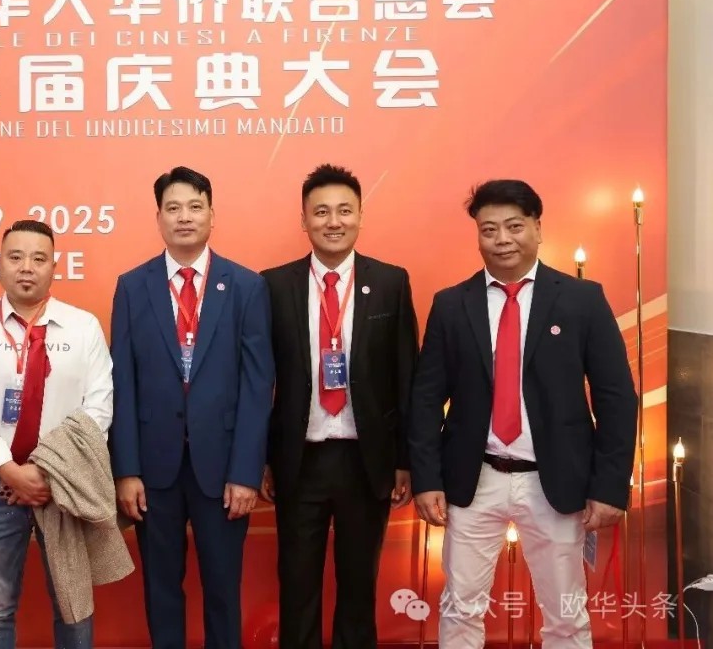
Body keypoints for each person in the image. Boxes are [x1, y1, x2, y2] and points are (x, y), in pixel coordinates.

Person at [407, 180, 637, 649]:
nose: (502, 239)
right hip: (475, 479)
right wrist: (427, 479)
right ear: (477, 235)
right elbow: (426, 398)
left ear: (537, 228)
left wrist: (609, 486)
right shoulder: (452, 304)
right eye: (489, 229)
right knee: (460, 607)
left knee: (566, 614)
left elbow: (615, 397)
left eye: (514, 226)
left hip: (555, 481)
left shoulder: (582, 300)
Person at [108, 166, 275, 649]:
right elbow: (122, 383)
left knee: (223, 589)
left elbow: (257, 384)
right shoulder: (132, 286)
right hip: (153, 469)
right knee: (161, 589)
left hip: (222, 469)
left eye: (195, 206)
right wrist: (127, 470)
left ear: (212, 215)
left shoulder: (245, 286)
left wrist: (246, 472)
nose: (184, 217)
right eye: (173, 208)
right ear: (158, 217)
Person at [260, 164, 418, 649]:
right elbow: (258, 382)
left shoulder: (390, 281)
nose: (334, 222)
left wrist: (405, 460)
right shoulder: (273, 285)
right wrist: (261, 459)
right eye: (321, 212)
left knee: (358, 588)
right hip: (299, 460)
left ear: (361, 216)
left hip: (365, 460)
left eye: (344, 211)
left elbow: (407, 376)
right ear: (304, 220)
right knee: (297, 587)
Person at [0, 219, 114, 649]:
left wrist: (46, 473)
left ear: (54, 266)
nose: (26, 267)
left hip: (64, 484)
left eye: (39, 259)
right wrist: (10, 471)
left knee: (73, 604)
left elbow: (98, 408)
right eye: (15, 257)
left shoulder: (83, 327)